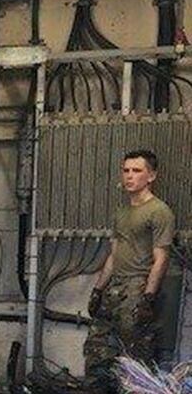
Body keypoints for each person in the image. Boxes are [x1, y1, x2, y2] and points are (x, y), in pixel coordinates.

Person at [83, 149, 175, 393]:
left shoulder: (159, 211)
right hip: (113, 292)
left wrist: (148, 298)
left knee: (135, 362)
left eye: (137, 171)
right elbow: (113, 255)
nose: (129, 176)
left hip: (137, 289)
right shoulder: (121, 213)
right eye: (126, 171)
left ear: (151, 175)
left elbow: (161, 258)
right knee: (97, 354)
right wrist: (97, 290)